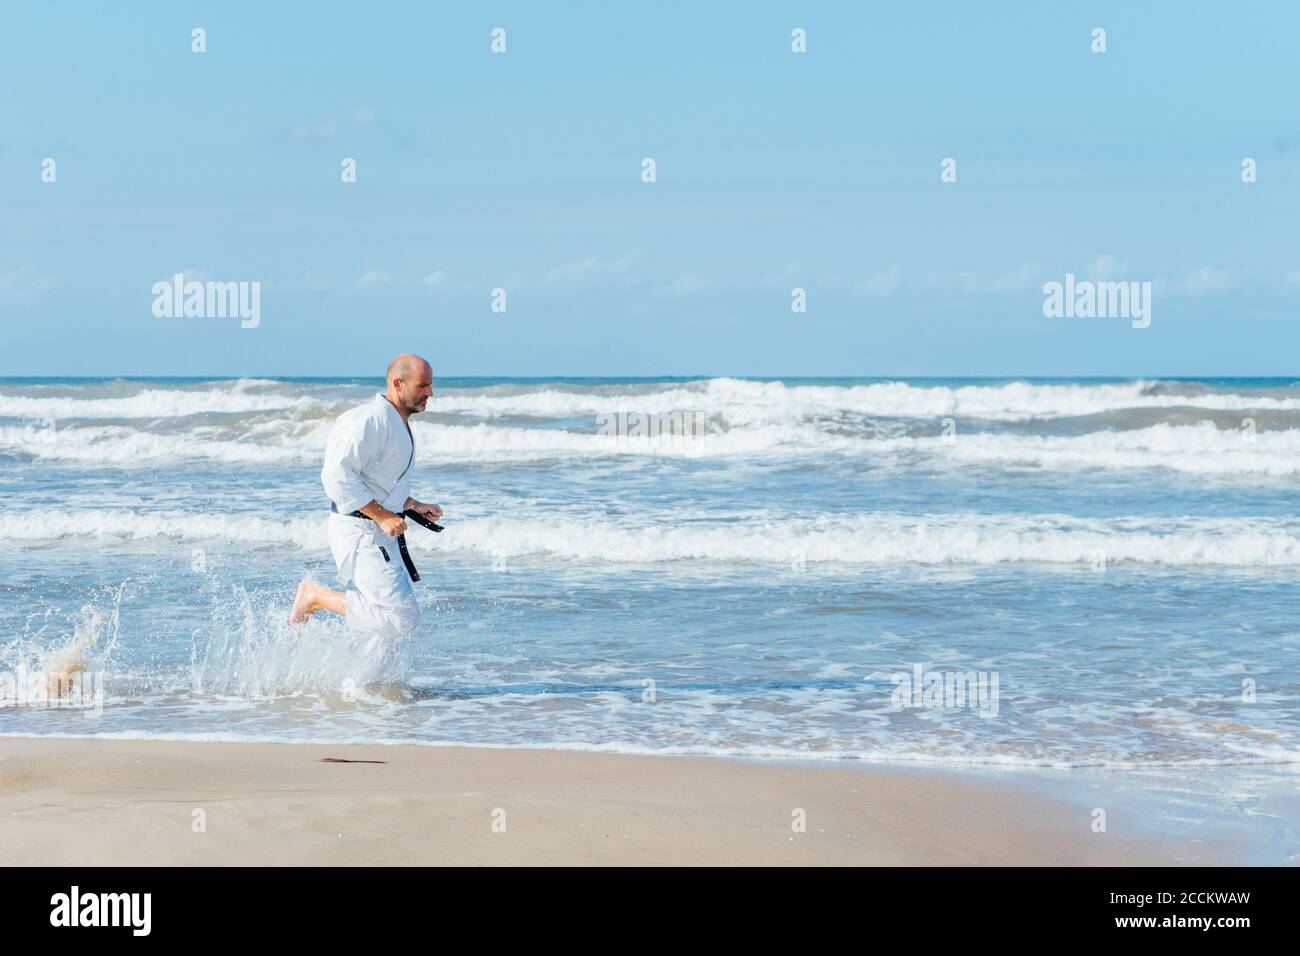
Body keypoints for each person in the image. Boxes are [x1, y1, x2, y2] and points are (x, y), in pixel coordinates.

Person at [290, 354, 444, 641]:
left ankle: (377, 684)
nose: (430, 393)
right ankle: (315, 596)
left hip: (376, 530)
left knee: (390, 626)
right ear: (398, 384)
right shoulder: (372, 419)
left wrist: (411, 504)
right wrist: (383, 515)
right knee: (401, 618)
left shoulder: (393, 420)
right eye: (423, 386)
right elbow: (336, 475)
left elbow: (377, 480)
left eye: (430, 386)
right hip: (359, 531)